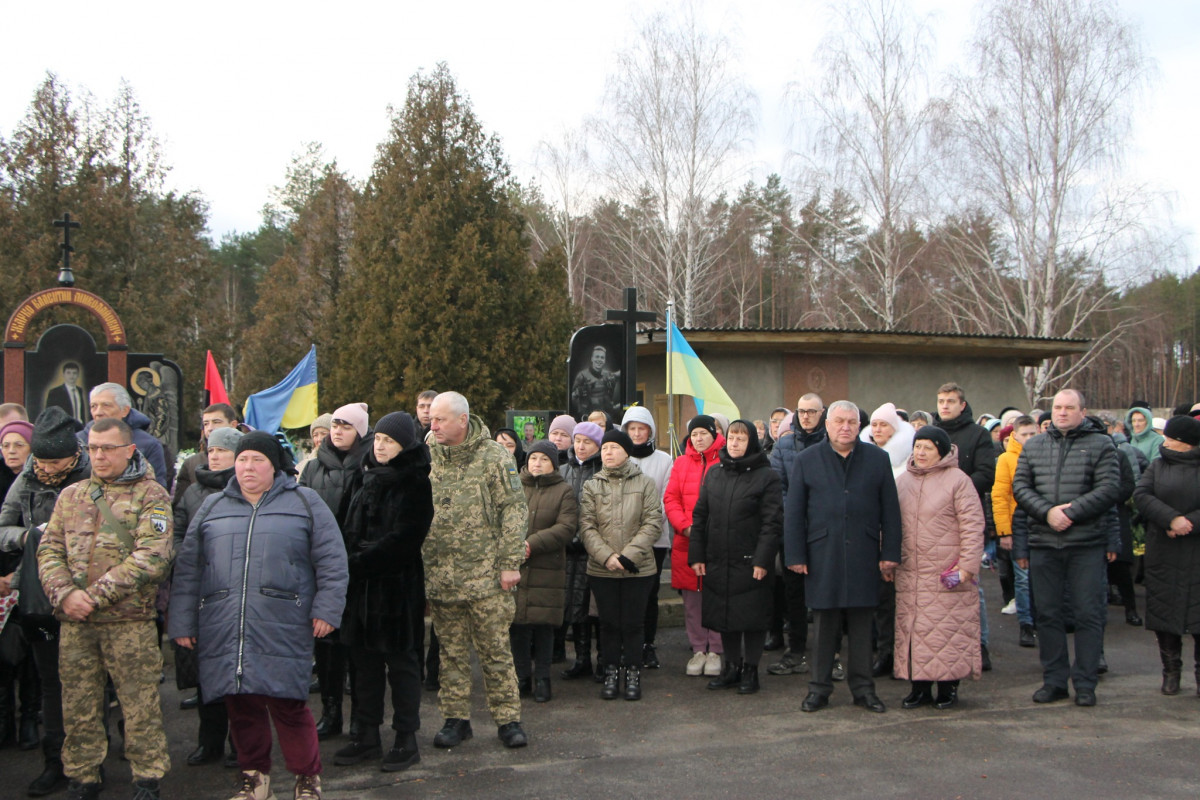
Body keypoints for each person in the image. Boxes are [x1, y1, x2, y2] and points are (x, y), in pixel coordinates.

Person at [169, 432, 347, 800]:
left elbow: (331, 560)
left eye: (258, 461)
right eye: (242, 460)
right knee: (242, 703)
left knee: (289, 703)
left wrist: (327, 609)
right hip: (224, 621)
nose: (248, 467)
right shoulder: (214, 505)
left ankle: (306, 779)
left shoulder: (304, 501)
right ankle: (255, 779)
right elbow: (188, 569)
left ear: (274, 465)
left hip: (284, 621)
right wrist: (183, 621)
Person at [37, 417, 174, 800]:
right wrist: (64, 593)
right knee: (79, 703)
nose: (98, 456)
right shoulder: (72, 495)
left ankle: (147, 777)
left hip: (128, 622)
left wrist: (92, 596)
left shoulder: (151, 495)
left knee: (139, 703)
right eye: (93, 448)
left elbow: (153, 557)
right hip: (76, 622)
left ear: (129, 450)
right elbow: (49, 549)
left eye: (107, 448)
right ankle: (83, 775)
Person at [423, 392, 529, 749]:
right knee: (450, 652)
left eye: (440, 419)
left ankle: (508, 720)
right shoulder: (427, 454)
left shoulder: (493, 457)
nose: (432, 425)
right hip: (440, 575)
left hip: (486, 575)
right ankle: (456, 719)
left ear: (462, 420)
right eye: (431, 419)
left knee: (495, 650)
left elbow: (513, 510)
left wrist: (509, 563)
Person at [784, 400, 901, 714]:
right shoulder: (808, 460)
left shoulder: (878, 459)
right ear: (827, 424)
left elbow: (891, 511)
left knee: (863, 626)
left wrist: (890, 553)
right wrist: (795, 554)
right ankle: (819, 689)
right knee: (824, 626)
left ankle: (863, 689)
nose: (846, 427)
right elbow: (794, 512)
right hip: (822, 553)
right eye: (839, 421)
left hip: (864, 552)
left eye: (852, 422)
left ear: (859, 425)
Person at [333, 412, 432, 772]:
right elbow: (343, 524)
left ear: (405, 445)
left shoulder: (415, 481)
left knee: (402, 666)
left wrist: (360, 561)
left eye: (389, 441)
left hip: (397, 590)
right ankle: (366, 734)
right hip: (360, 591)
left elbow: (407, 537)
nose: (381, 445)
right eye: (378, 439)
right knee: (363, 666)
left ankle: (406, 738)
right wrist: (346, 559)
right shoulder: (361, 477)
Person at [1012, 389, 1121, 707]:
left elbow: (1109, 488)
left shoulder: (1101, 445)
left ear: (1082, 412)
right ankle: (1055, 681)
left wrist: (1069, 513)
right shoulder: (1033, 446)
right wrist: (1047, 512)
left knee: (1088, 614)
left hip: (1085, 544)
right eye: (1057, 407)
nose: (1061, 413)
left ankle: (1085, 683)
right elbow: (1020, 487)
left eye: (1069, 408)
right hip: (1044, 543)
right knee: (1047, 615)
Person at [0, 408, 88, 796]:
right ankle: (55, 763)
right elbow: (3, 527)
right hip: (39, 595)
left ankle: (88, 765)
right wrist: (27, 538)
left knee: (87, 685)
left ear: (73, 456)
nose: (46, 468)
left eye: (55, 461)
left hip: (86, 594)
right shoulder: (28, 477)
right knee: (51, 683)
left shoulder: (92, 475)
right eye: (42, 461)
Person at [894, 427, 985, 710]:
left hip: (947, 571)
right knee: (915, 631)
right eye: (917, 446)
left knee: (948, 631)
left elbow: (972, 524)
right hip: (910, 572)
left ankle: (948, 688)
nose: (920, 453)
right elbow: (891, 522)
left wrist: (968, 565)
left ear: (942, 451)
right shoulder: (903, 481)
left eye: (927, 448)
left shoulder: (958, 480)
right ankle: (919, 688)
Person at [689, 420, 782, 695]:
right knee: (724, 616)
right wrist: (697, 555)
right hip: (718, 558)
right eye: (731, 438)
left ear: (751, 442)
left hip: (750, 560)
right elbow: (700, 515)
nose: (735, 443)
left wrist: (762, 559)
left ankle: (751, 670)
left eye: (741, 439)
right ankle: (732, 668)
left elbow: (772, 522)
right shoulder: (715, 473)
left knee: (751, 618)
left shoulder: (767, 477)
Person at [299, 402, 372, 740]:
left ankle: (361, 718)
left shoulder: (371, 465)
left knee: (359, 650)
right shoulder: (313, 469)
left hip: (359, 570)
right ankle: (330, 713)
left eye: (346, 425)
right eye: (335, 425)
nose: (338, 430)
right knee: (326, 648)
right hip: (322, 569)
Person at [172, 426, 242, 769]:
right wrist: (187, 558)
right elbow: (178, 533)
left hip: (233, 592)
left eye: (222, 450)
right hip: (201, 591)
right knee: (205, 673)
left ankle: (239, 743)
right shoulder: (192, 492)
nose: (213, 455)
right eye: (210, 450)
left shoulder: (246, 489)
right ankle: (209, 741)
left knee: (236, 673)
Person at [579, 429, 662, 700]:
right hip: (602, 569)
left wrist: (628, 556)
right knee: (609, 623)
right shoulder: (592, 485)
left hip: (639, 569)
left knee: (633, 624)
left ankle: (633, 672)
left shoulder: (645, 483)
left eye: (614, 447)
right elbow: (587, 527)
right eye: (605, 448)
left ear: (626, 451)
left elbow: (653, 522)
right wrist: (607, 557)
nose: (609, 453)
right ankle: (611, 671)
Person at [1133, 415, 1200, 696]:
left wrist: (1188, 523)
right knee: (1165, 612)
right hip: (1164, 548)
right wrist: (1171, 519)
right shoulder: (1157, 466)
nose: (1167, 442)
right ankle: (1170, 672)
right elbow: (1142, 495)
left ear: (1187, 444)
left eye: (1173, 439)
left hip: (1196, 548)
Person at [933, 383, 996, 672]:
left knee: (969, 582)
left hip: (965, 519)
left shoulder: (978, 435)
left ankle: (978, 643)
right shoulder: (932, 434)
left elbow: (986, 473)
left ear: (962, 405)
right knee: (936, 585)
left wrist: (955, 492)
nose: (944, 406)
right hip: (932, 521)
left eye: (950, 401)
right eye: (941, 401)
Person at [767, 395, 827, 679]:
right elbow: (778, 486)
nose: (805, 416)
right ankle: (796, 650)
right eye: (801, 411)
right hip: (792, 528)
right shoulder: (784, 444)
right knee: (794, 594)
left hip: (825, 530)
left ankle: (831, 654)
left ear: (822, 413)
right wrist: (797, 514)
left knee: (827, 593)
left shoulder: (831, 443)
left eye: (811, 411)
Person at [513, 441, 577, 703]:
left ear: (554, 463)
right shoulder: (515, 486)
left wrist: (532, 544)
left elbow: (566, 527)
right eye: (533, 459)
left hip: (546, 566)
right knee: (516, 626)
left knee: (543, 627)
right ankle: (521, 677)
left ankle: (542, 678)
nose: (537, 464)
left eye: (543, 460)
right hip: (515, 565)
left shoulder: (563, 491)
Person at [664, 416, 726, 677]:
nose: (698, 439)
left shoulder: (724, 461)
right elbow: (671, 498)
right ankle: (698, 648)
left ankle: (717, 649)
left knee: (717, 595)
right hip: (687, 541)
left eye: (704, 433)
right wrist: (686, 527)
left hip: (719, 542)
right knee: (692, 600)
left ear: (714, 434)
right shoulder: (680, 463)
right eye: (694, 434)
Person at [859, 403, 915, 679]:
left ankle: (890, 654)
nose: (879, 429)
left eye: (885, 425)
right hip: (866, 536)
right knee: (873, 601)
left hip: (897, 537)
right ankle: (875, 650)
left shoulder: (907, 459)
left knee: (891, 604)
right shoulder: (862, 454)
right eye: (876, 425)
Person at [621, 406, 673, 670]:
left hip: (654, 540)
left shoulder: (664, 460)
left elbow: (667, 498)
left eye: (642, 429)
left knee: (649, 594)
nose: (638, 433)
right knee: (626, 594)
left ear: (650, 431)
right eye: (632, 429)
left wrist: (647, 529)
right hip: (621, 540)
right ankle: (626, 644)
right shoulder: (619, 457)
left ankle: (647, 645)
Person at [559, 421, 604, 681]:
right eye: (578, 441)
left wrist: (586, 538)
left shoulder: (603, 470)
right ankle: (582, 658)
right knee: (574, 607)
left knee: (594, 608)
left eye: (588, 442)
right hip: (567, 549)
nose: (582, 446)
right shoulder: (563, 470)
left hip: (594, 550)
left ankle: (602, 660)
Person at [993, 415, 1040, 648]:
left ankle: (1041, 620)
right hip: (1017, 527)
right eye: (1025, 434)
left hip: (1042, 526)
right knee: (1022, 578)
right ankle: (1026, 624)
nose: (1030, 438)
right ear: (1015, 435)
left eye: (1033, 433)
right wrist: (1004, 532)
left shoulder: (1044, 454)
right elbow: (1000, 497)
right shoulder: (1006, 460)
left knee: (1041, 577)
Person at [78, 383, 168, 490]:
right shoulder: (77, 441)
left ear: (124, 410)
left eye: (106, 405)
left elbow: (158, 491)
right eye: (94, 406)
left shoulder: (149, 444)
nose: (98, 412)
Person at [174, 403, 239, 505]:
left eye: (216, 422)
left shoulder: (248, 458)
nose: (210, 428)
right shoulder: (191, 463)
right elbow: (179, 507)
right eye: (206, 424)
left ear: (233, 425)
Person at [571, 345, 621, 421]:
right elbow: (572, 397)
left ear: (604, 360)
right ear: (592, 358)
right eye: (597, 357)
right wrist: (578, 393)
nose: (599, 360)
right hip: (588, 418)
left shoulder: (608, 375)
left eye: (602, 357)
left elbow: (620, 373)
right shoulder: (582, 376)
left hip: (606, 418)